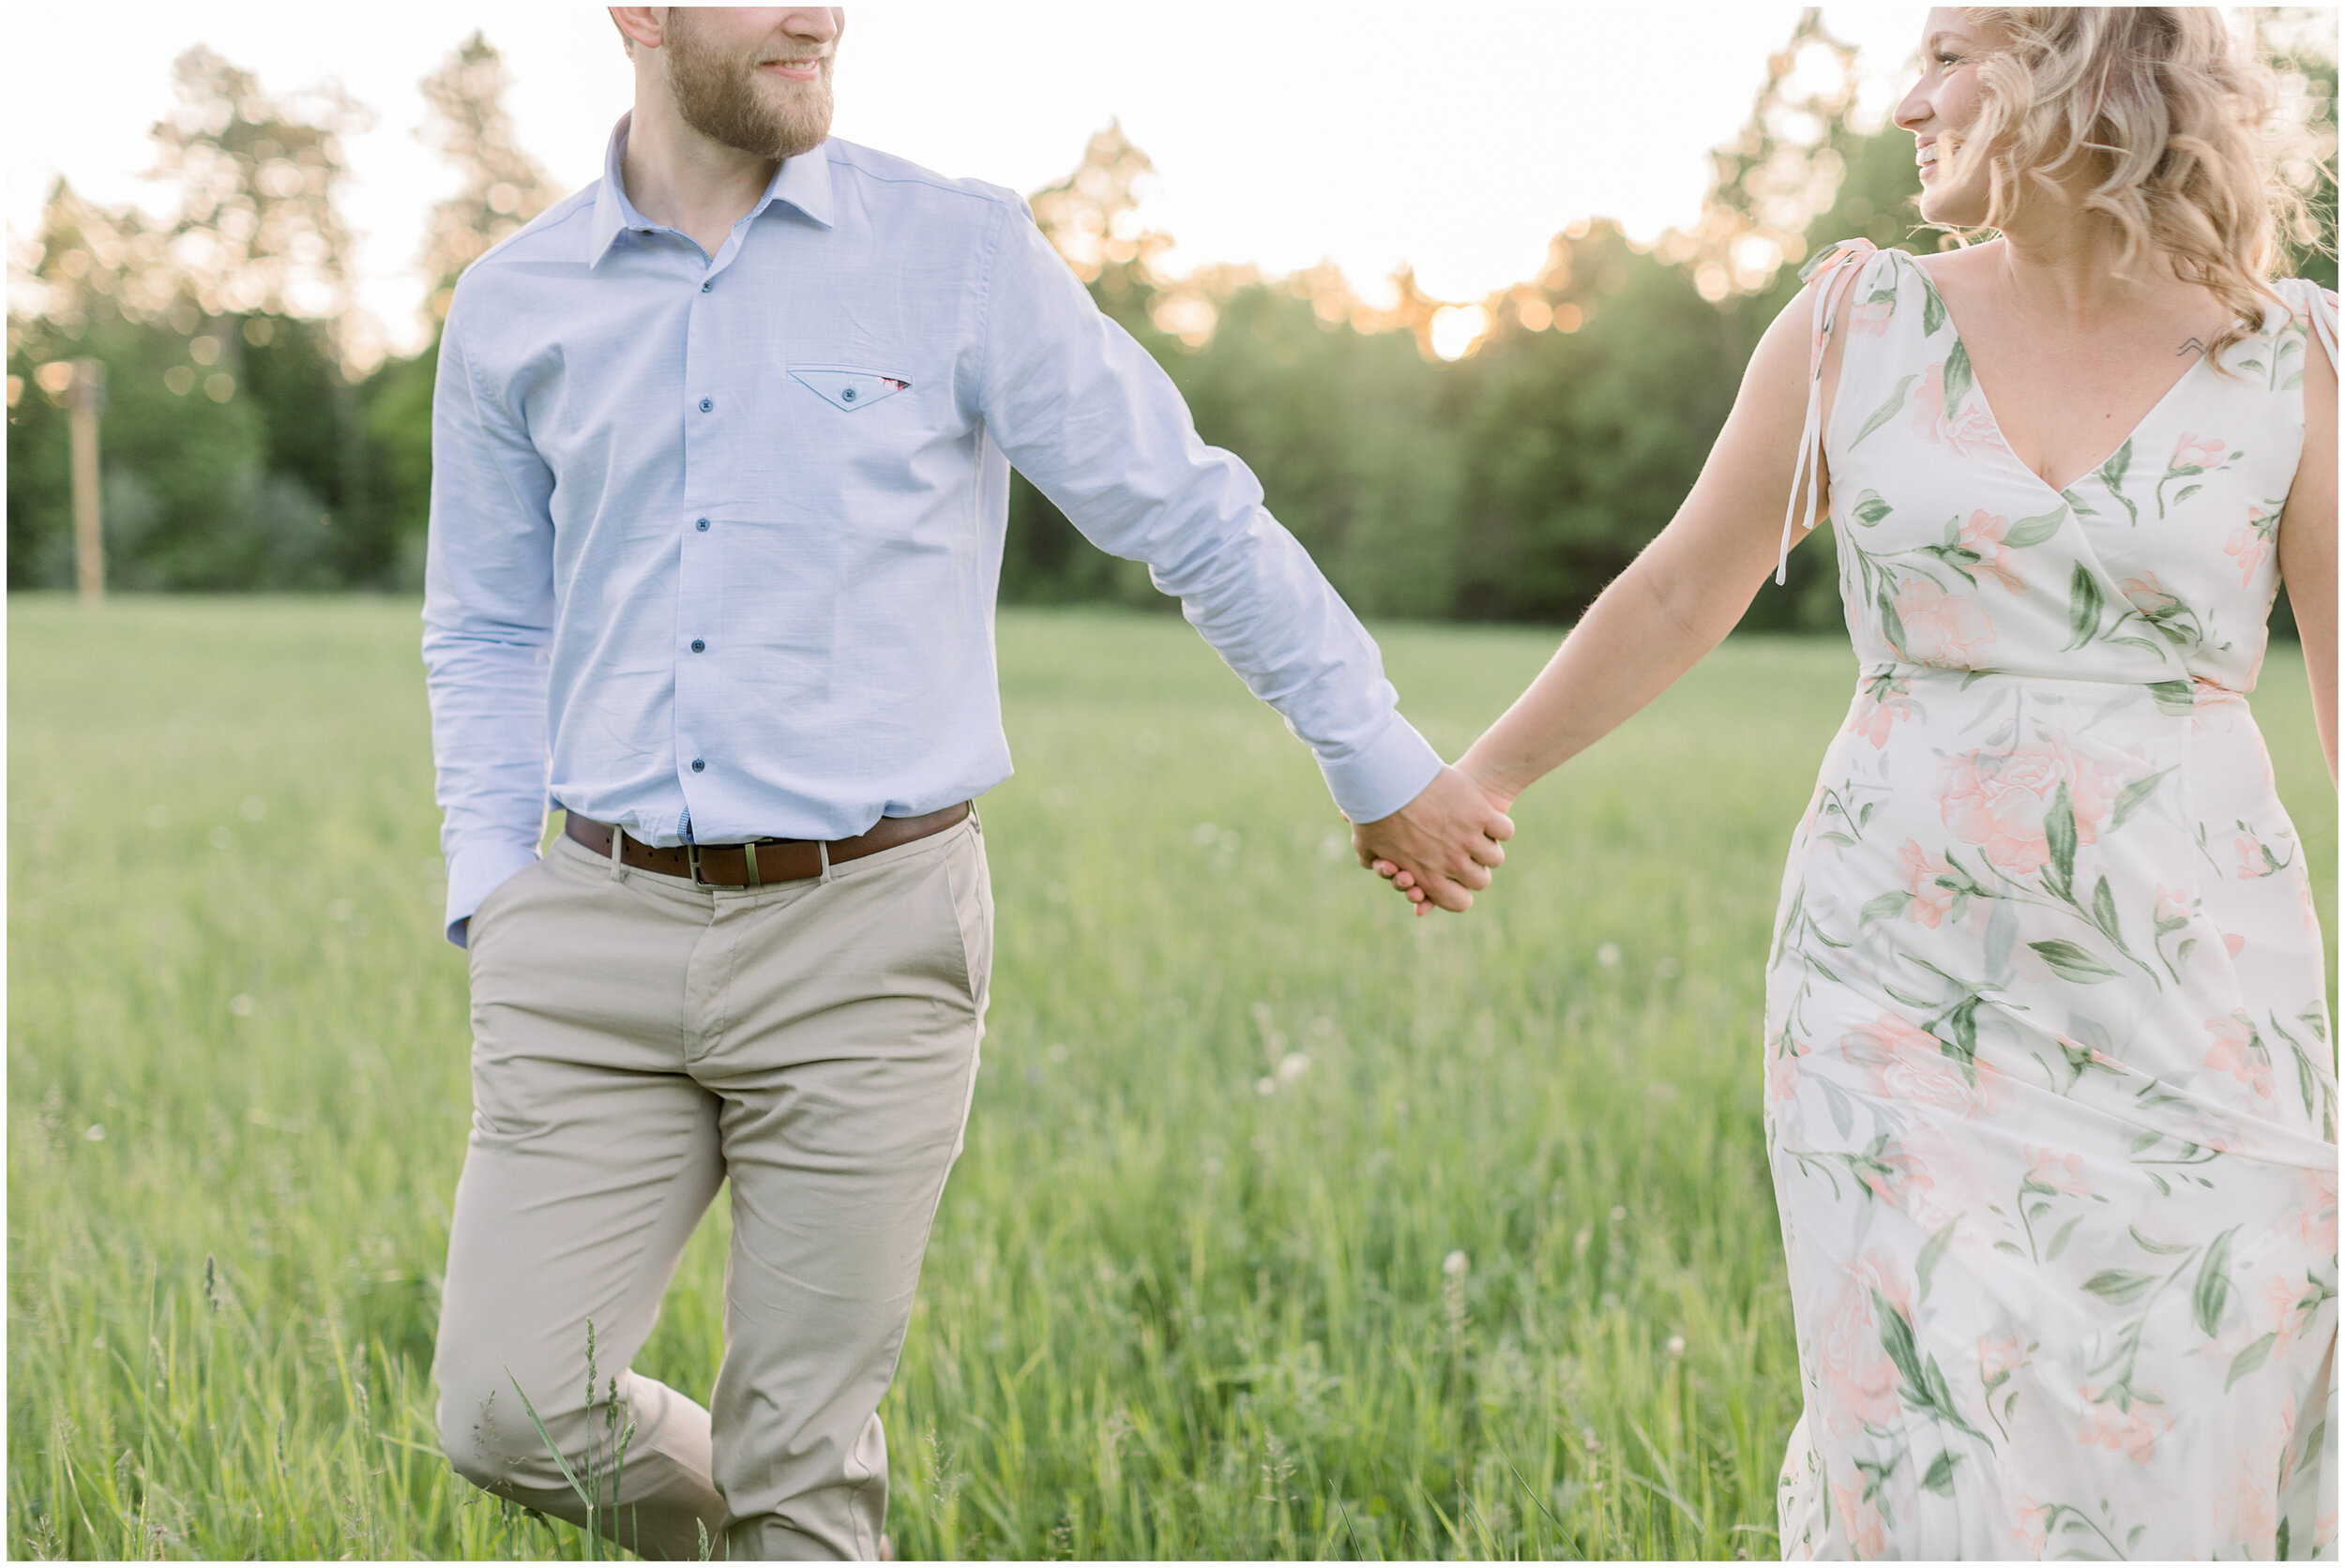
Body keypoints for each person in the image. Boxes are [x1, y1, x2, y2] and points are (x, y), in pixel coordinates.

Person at [421, 7, 1512, 1560]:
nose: (821, 13)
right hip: (587, 934)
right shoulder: (514, 299)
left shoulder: (958, 253)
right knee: (511, 1410)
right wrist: (492, 882)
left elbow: (1189, 514)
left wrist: (1376, 758)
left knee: (804, 1473)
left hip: (868, 939)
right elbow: (484, 616)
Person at [1379, 7, 2337, 1557]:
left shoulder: (2289, 352)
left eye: (1953, 52)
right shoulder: (1854, 325)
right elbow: (1687, 587)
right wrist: (1480, 777)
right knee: (1926, 1424)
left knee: (2191, 1387)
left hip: (2195, 982)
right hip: (1897, 977)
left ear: (2088, 62)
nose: (1909, 99)